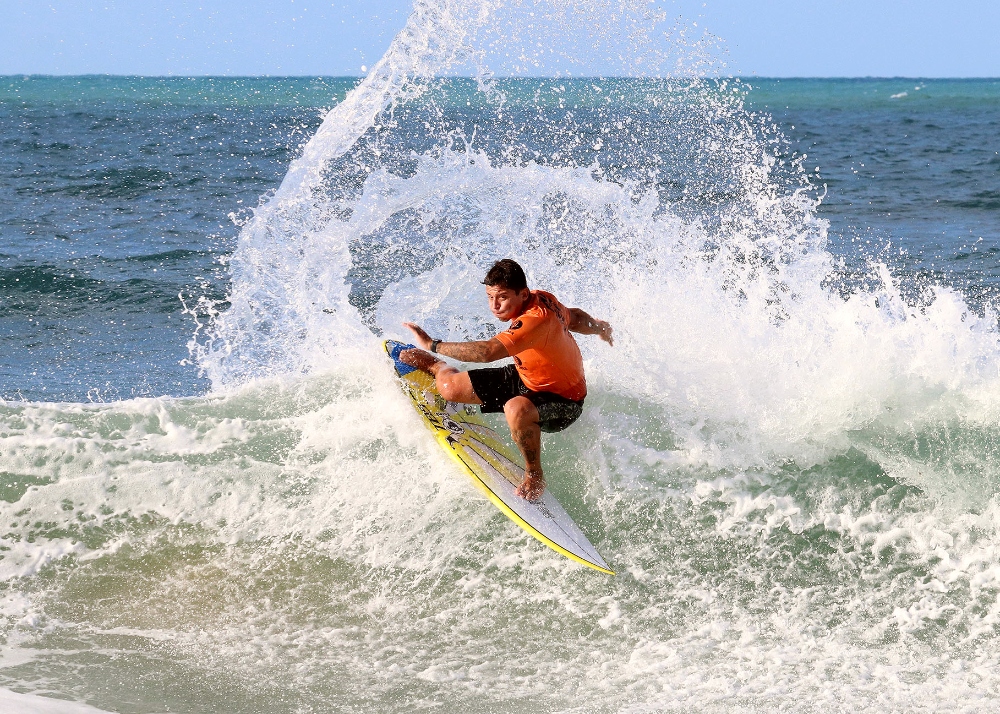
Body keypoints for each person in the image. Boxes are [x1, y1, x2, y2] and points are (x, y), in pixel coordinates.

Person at [400, 258, 613, 501]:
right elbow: (573, 317)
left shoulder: (538, 317)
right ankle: (437, 367)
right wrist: (598, 327)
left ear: (523, 294)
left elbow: (488, 352)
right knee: (448, 388)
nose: (495, 305)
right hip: (528, 377)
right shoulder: (541, 298)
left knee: (516, 409)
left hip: (565, 402)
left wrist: (432, 344)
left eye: (501, 297)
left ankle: (534, 474)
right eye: (490, 297)